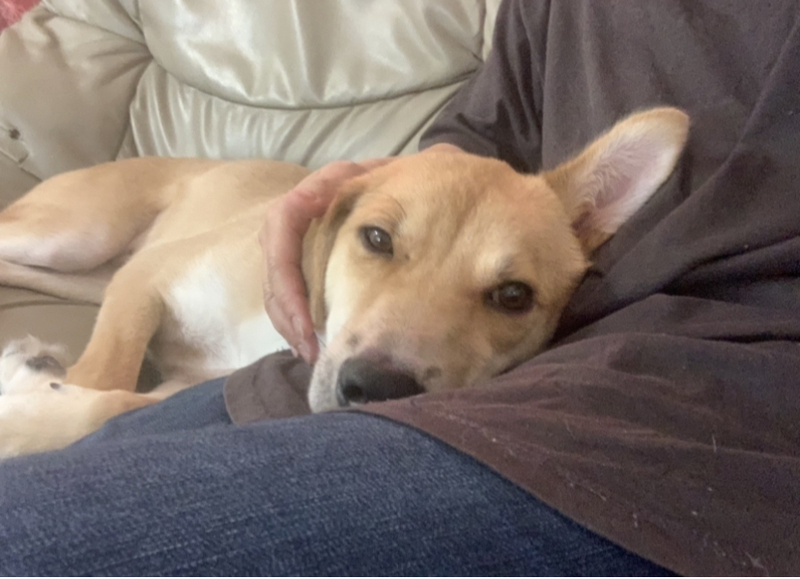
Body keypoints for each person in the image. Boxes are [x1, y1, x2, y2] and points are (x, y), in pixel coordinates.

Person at [2, 0, 799, 575]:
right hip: (476, 390)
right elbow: (480, 134)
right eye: (379, 242)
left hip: (694, 416)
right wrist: (366, 186)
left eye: (508, 296)